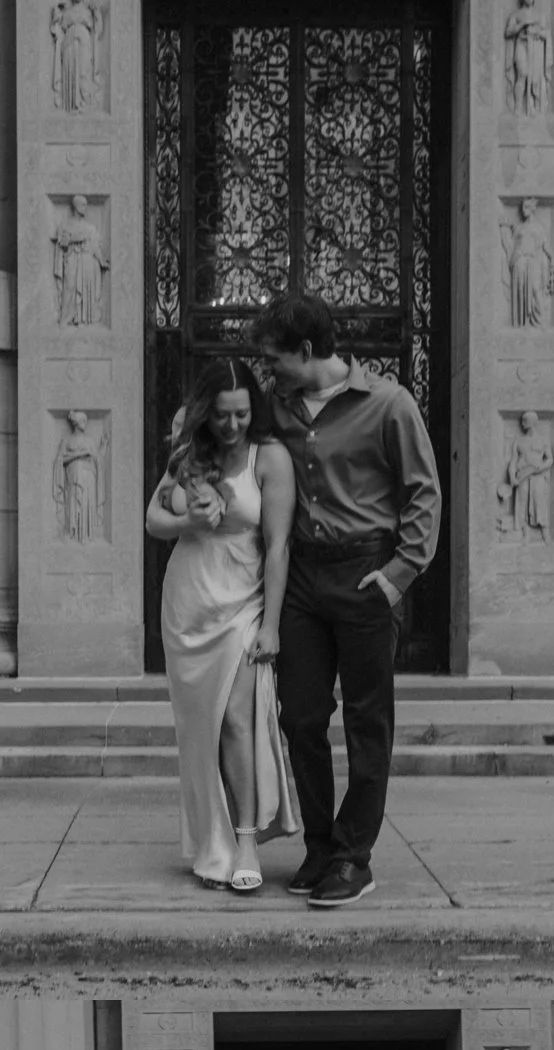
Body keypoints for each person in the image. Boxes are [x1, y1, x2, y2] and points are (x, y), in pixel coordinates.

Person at [248, 290, 441, 909]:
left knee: (366, 721)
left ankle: (354, 856)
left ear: (307, 350)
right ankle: (320, 845)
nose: (267, 370)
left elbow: (423, 492)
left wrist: (398, 574)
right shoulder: (276, 407)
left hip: (365, 574)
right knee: (300, 715)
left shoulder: (389, 403)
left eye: (274, 358)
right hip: (303, 579)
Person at [146, 355, 301, 894]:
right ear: (205, 412)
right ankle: (213, 846)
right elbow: (154, 520)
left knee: (236, 718)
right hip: (188, 604)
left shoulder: (270, 457)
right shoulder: (188, 454)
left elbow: (278, 547)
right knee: (199, 732)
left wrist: (271, 626)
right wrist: (187, 519)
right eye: (221, 414)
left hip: (242, 603)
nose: (232, 424)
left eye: (241, 414)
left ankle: (247, 840)